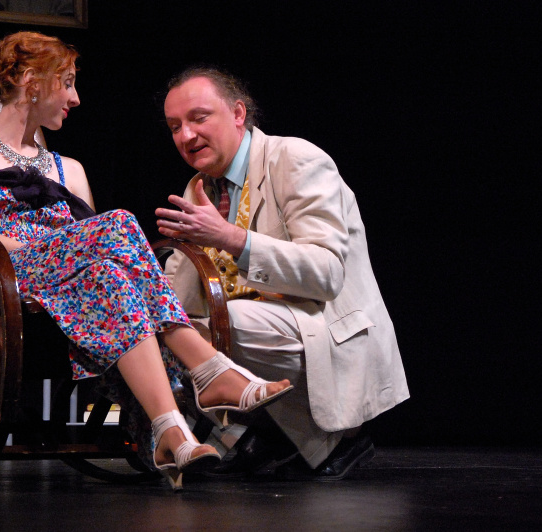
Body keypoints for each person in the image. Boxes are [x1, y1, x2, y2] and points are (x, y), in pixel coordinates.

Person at [0, 33, 292, 491]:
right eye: (67, 83)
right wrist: (55, 249)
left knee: (109, 272)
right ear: (32, 83)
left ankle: (169, 430)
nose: (75, 97)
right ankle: (206, 366)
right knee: (116, 225)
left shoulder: (70, 168)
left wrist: (68, 253)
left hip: (70, 295)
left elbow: (98, 261)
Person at [156, 67, 409, 480]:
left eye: (199, 118)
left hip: (322, 326)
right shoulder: (199, 188)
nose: (186, 135)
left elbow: (327, 273)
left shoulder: (295, 159)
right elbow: (179, 293)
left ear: (238, 113)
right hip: (269, 329)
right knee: (165, 330)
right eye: (174, 126)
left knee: (220, 322)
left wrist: (232, 238)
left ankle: (333, 438)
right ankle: (257, 434)